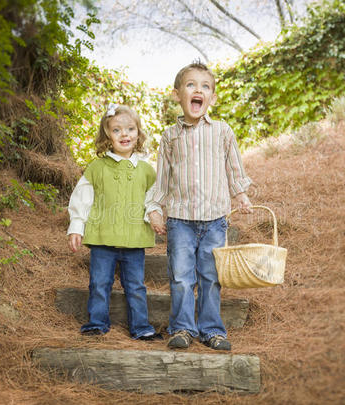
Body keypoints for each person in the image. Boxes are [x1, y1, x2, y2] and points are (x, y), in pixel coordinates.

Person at [146, 62, 253, 351]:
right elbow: (163, 178)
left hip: (215, 221)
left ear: (213, 98)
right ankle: (181, 328)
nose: (198, 90)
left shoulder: (222, 131)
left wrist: (240, 193)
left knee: (211, 277)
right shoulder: (170, 136)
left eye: (205, 86)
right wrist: (155, 207)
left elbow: (233, 166)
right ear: (176, 95)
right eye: (191, 85)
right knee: (181, 277)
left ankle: (212, 330)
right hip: (180, 219)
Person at [67, 103, 162, 341]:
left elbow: (153, 199)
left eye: (130, 129)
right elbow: (82, 199)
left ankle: (141, 327)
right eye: (117, 130)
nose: (124, 135)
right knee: (99, 283)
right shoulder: (97, 167)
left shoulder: (147, 170)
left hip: (134, 240)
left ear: (138, 133)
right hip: (102, 238)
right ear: (108, 135)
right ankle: (97, 322)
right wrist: (77, 227)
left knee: (136, 287)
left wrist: (155, 215)